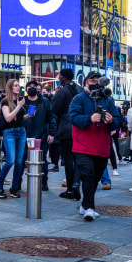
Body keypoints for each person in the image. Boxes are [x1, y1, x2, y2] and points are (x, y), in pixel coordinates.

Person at [69, 71, 121, 221]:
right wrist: (89, 118)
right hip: (83, 146)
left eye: (99, 80)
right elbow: (73, 118)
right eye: (93, 80)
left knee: (95, 178)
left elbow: (118, 119)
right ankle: (90, 208)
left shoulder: (107, 100)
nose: (96, 83)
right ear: (86, 82)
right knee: (87, 175)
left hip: (102, 147)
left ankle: (85, 205)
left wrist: (112, 121)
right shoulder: (78, 99)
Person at [20, 80, 56, 191]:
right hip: (24, 137)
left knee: (42, 160)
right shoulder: (22, 101)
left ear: (38, 88)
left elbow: (51, 118)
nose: (32, 88)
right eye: (29, 86)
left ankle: (44, 182)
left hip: (41, 136)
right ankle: (17, 183)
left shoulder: (44, 101)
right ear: (26, 89)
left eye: (34, 86)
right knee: (21, 161)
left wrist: (51, 133)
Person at [0, 79, 27, 199]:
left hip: (21, 131)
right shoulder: (5, 101)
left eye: (19, 85)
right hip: (9, 133)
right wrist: (19, 106)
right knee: (10, 161)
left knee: (19, 162)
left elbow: (18, 118)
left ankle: (14, 188)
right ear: (10, 88)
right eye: (16, 86)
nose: (18, 88)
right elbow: (8, 118)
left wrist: (28, 115)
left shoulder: (18, 101)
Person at [52, 68, 82, 200]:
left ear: (64, 78)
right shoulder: (78, 89)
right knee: (77, 159)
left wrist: (56, 95)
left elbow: (55, 109)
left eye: (60, 76)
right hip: (78, 128)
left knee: (68, 159)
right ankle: (76, 183)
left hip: (66, 129)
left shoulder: (63, 91)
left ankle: (70, 188)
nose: (58, 78)